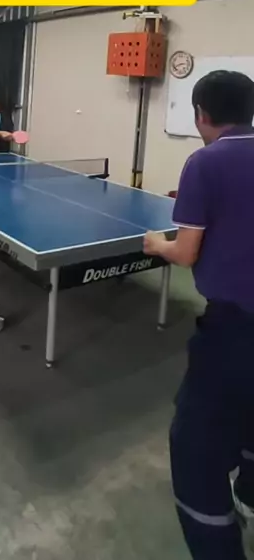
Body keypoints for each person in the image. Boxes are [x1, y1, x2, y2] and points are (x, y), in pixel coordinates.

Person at [143, 70, 254, 560]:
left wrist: (156, 244)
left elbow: (186, 252)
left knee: (195, 454)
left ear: (200, 114)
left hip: (235, 330)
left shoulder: (205, 162)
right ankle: (250, 494)